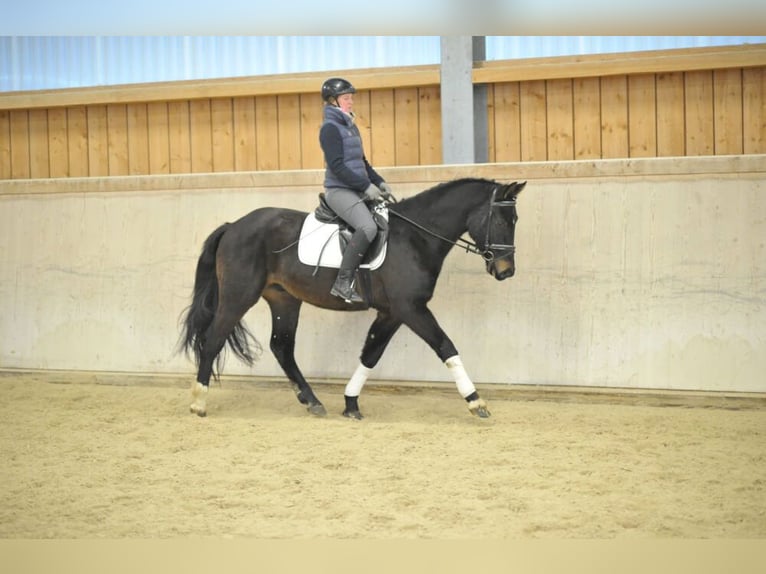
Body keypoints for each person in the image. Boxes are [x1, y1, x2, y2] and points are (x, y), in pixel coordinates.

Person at [319, 77, 393, 304]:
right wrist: (364, 186)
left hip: (357, 189)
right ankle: (342, 282)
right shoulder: (330, 129)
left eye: (351, 98)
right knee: (368, 227)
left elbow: (362, 163)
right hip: (339, 191)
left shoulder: (351, 127)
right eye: (346, 98)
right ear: (333, 101)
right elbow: (338, 166)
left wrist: (379, 182)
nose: (351, 102)